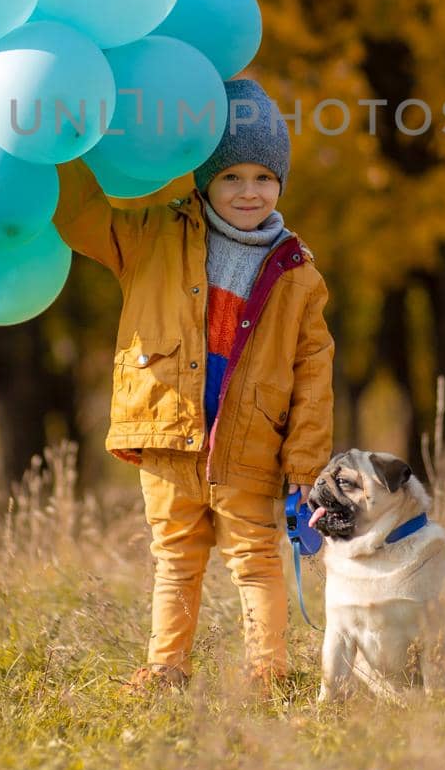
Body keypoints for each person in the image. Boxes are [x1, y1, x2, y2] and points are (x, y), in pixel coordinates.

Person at [54, 76, 334, 693]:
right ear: (206, 180)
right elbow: (79, 217)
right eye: (232, 177)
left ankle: (267, 675)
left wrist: (306, 462)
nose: (248, 192)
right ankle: (166, 670)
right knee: (175, 557)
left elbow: (314, 377)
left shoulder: (297, 272)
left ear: (281, 184)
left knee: (256, 560)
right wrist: (60, 139)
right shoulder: (153, 236)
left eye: (264, 178)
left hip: (251, 440)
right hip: (166, 428)